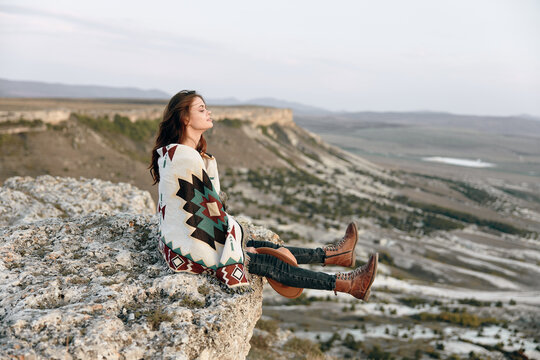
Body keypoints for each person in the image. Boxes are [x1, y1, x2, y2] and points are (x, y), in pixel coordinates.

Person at [149, 90, 378, 300]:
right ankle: (349, 285)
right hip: (190, 249)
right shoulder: (184, 158)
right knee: (268, 261)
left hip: (182, 243)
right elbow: (203, 216)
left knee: (263, 246)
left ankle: (336, 255)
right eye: (201, 109)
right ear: (185, 118)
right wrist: (234, 248)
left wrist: (236, 241)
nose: (208, 112)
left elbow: (200, 209)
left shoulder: (182, 154)